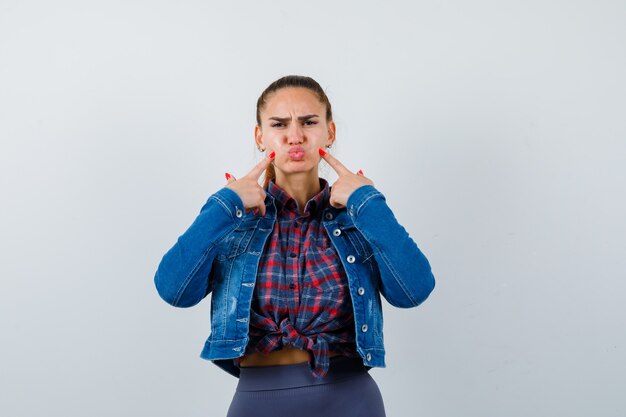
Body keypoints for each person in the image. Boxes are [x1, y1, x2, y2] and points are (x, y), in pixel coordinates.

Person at [154, 75, 435, 417]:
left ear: (329, 133)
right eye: (279, 124)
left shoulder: (358, 216)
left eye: (308, 122)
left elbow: (414, 290)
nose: (295, 136)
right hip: (259, 401)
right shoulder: (233, 218)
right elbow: (173, 290)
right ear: (260, 137)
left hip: (351, 400)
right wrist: (224, 207)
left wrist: (368, 202)